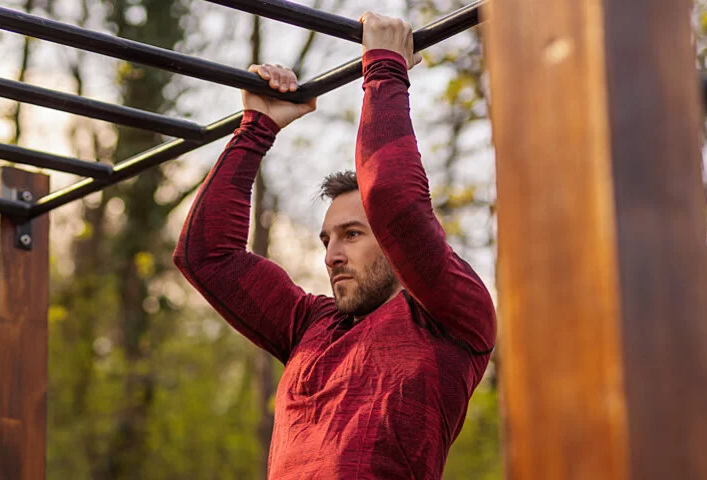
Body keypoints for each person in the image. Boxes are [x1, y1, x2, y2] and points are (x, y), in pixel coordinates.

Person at [172, 11, 496, 479]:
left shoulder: (452, 316)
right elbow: (206, 256)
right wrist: (256, 128)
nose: (331, 255)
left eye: (352, 234)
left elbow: (392, 199)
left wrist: (384, 68)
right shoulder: (311, 326)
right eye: (327, 239)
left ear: (394, 242)